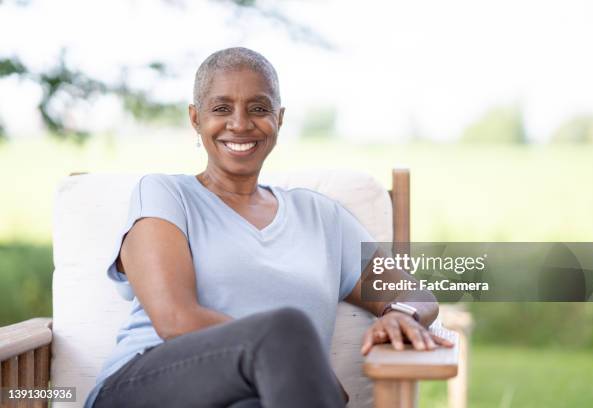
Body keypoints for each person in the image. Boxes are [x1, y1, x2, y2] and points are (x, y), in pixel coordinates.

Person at [85, 47, 452, 408]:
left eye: (259, 108)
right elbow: (174, 319)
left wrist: (401, 315)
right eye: (221, 108)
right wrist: (298, 358)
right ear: (196, 119)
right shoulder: (166, 195)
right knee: (286, 330)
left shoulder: (323, 217)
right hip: (145, 387)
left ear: (279, 118)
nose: (241, 123)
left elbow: (412, 293)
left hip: (264, 398)